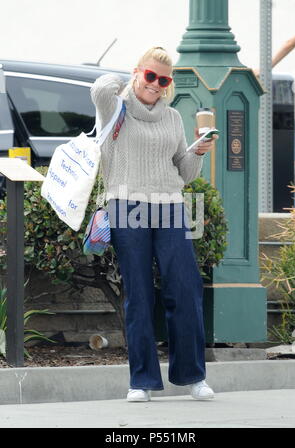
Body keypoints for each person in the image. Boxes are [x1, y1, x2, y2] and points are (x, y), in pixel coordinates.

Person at [90, 47, 217, 402]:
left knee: (186, 287)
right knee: (140, 294)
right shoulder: (115, 108)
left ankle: (193, 376)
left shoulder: (174, 117)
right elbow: (99, 88)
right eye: (150, 76)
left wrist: (198, 153)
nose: (156, 85)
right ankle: (141, 381)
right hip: (126, 204)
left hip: (171, 207)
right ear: (137, 73)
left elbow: (184, 172)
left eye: (164, 80)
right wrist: (126, 79)